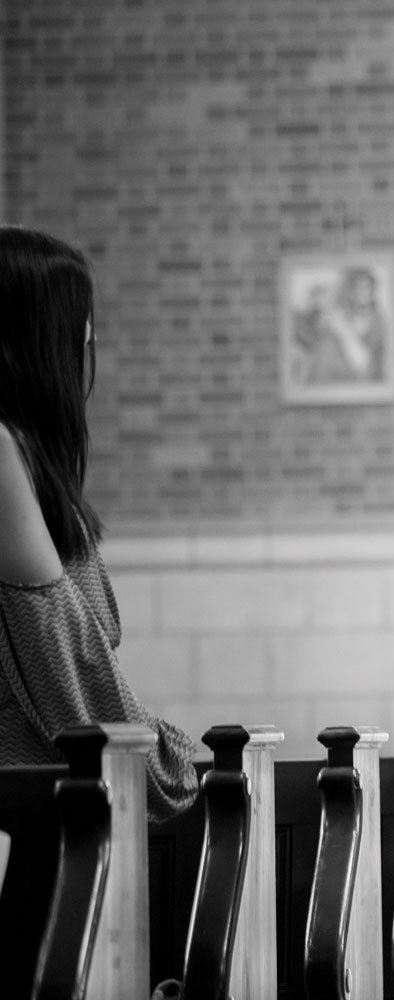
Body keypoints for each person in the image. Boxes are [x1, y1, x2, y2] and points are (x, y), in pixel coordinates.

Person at [0, 226, 197, 823]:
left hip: (59, 799)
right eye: (79, 318)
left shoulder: (25, 451)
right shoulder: (1, 448)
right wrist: (162, 757)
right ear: (39, 331)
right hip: (34, 811)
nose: (91, 335)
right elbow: (66, 664)